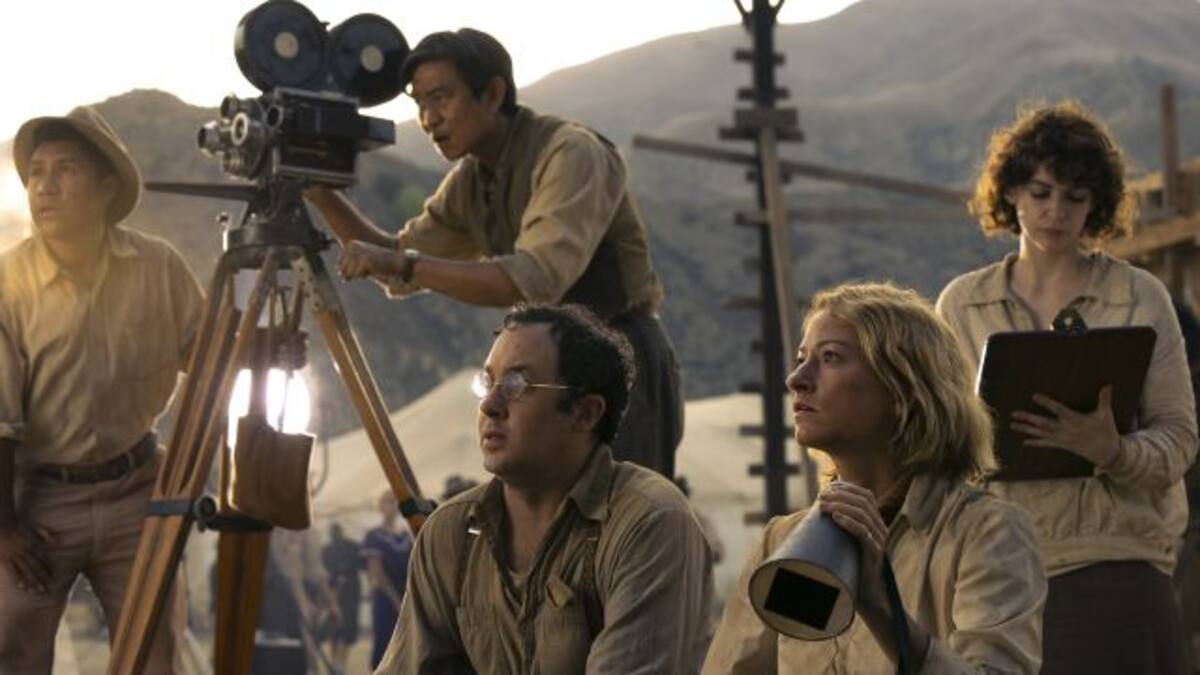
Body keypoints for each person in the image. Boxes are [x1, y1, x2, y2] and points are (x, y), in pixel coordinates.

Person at [305, 28, 683, 478]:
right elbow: (394, 261)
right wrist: (321, 192)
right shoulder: (471, 179)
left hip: (621, 361)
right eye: (420, 104)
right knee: (546, 514)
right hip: (546, 369)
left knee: (627, 512)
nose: (428, 118)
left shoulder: (570, 152)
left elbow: (533, 279)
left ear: (492, 94)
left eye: (441, 98)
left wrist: (403, 264)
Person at [936, 101, 1198, 674]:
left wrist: (1113, 451)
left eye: (1075, 198)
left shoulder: (1139, 298)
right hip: (999, 571)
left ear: (1096, 205)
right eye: (1041, 192)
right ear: (1011, 192)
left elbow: (1180, 440)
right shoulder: (963, 305)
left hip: (1116, 565)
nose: (1055, 211)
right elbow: (936, 447)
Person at [704, 283, 1046, 674]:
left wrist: (880, 606)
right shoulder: (782, 541)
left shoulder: (987, 533)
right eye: (801, 358)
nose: (797, 378)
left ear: (905, 389)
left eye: (830, 357)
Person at [376, 303, 713, 673]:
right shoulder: (452, 533)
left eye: (517, 385)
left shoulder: (647, 523)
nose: (489, 405)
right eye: (487, 383)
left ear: (585, 413)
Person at [0, 106, 203, 673]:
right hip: (36, 498)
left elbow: (208, 356)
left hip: (136, 487)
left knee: (156, 654)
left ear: (106, 186)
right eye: (36, 173)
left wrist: (262, 347)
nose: (45, 186)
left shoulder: (158, 266)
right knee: (11, 647)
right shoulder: (7, 282)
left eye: (65, 169)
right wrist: (4, 529)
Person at [362, 490, 414, 670]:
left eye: (395, 502)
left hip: (406, 596)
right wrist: (395, 600)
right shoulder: (374, 536)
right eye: (388, 502)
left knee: (406, 644)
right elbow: (376, 572)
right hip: (385, 598)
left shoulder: (406, 536)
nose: (392, 506)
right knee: (384, 643)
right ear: (380, 506)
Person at [321, 521, 362, 673]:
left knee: (340, 630)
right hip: (341, 592)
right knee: (340, 630)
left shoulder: (329, 549)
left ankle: (338, 665)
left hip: (343, 592)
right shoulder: (351, 546)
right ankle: (339, 666)